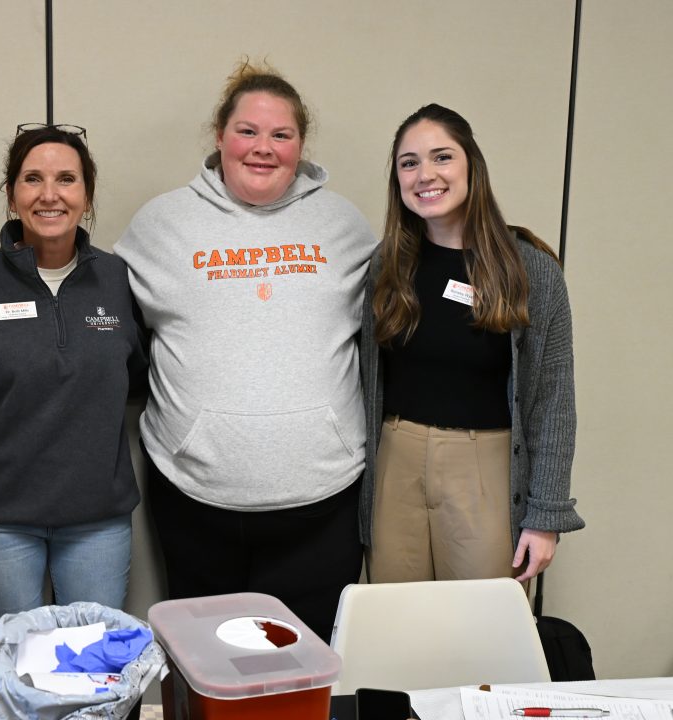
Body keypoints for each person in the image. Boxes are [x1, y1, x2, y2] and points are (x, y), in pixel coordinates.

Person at [115, 61, 376, 641]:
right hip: (195, 498)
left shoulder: (345, 226)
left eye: (281, 135)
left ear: (301, 145)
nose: (264, 148)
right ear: (219, 136)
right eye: (248, 131)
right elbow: (104, 324)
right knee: (212, 667)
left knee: (304, 669)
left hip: (324, 500)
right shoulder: (161, 224)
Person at [360, 103, 585, 585]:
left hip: (486, 471)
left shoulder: (530, 269)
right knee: (396, 625)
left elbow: (553, 401)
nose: (425, 175)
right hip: (395, 463)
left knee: (483, 633)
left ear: (471, 167)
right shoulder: (388, 265)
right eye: (409, 162)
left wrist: (546, 514)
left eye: (442, 157)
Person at [0, 124, 146, 618]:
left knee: (96, 666)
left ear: (87, 194)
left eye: (66, 179)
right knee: (17, 669)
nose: (50, 195)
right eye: (33, 179)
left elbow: (139, 381)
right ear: (12, 195)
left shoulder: (120, 281)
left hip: (97, 522)